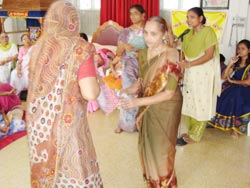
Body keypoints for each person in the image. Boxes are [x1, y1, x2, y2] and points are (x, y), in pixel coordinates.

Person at [26, 1, 103, 187]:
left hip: (38, 124)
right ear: (73, 21)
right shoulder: (79, 48)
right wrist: (99, 81)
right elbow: (90, 93)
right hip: (66, 123)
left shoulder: (38, 47)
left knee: (46, 168)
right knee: (75, 167)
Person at [119, 16, 182, 188]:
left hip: (166, 107)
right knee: (148, 145)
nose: (148, 38)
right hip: (147, 102)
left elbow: (169, 93)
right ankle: (154, 182)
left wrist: (137, 103)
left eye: (153, 34)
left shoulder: (172, 54)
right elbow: (141, 81)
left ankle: (167, 183)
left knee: (162, 149)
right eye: (145, 33)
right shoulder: (144, 53)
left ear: (163, 34)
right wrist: (127, 90)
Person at [177, 7, 221, 146]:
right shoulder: (188, 34)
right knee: (190, 100)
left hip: (203, 73)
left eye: (192, 17)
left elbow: (208, 55)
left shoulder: (208, 32)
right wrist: (184, 66)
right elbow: (184, 53)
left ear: (200, 18)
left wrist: (190, 64)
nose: (188, 20)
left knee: (201, 101)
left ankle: (196, 134)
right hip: (190, 73)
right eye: (187, 17)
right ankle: (191, 131)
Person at [114, 4, 147, 133]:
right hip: (129, 66)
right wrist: (124, 47)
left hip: (146, 65)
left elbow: (156, 48)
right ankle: (123, 124)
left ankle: (141, 122)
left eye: (135, 13)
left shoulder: (148, 30)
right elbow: (118, 52)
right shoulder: (125, 32)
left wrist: (142, 52)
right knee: (128, 93)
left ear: (143, 15)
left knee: (144, 93)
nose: (132, 16)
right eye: (131, 14)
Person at [208, 39, 250, 138]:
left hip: (245, 89)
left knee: (236, 94)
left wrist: (233, 81)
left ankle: (237, 129)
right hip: (233, 86)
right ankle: (216, 122)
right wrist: (230, 64)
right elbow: (223, 77)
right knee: (220, 92)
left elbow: (248, 82)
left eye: (243, 48)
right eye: (238, 48)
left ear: (249, 50)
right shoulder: (236, 63)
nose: (239, 51)